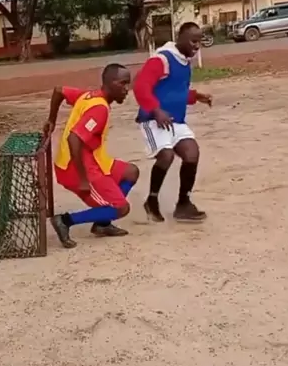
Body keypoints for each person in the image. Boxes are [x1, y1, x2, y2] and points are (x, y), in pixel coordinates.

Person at [44, 63, 139, 249]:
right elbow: (74, 139)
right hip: (75, 167)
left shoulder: (89, 95)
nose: (127, 89)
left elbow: (59, 91)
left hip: (90, 158)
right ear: (109, 83)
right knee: (121, 208)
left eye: (128, 83)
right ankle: (65, 220)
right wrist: (83, 179)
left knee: (131, 172)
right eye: (122, 83)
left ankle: (102, 223)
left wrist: (51, 120)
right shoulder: (99, 109)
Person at [133, 22, 212, 223]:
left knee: (192, 153)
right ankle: (152, 200)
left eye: (199, 41)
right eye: (193, 41)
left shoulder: (185, 63)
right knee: (166, 156)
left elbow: (174, 90)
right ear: (180, 38)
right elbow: (141, 86)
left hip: (175, 120)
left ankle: (183, 204)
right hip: (153, 120)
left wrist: (195, 96)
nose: (197, 46)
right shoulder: (161, 59)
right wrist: (156, 110)